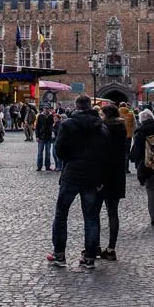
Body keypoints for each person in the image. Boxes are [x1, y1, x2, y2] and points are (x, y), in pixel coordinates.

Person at [46, 94, 108, 269]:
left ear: (76, 106)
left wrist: (70, 159)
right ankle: (89, 258)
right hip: (92, 175)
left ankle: (59, 255)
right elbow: (105, 153)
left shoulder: (68, 125)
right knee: (91, 217)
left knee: (61, 214)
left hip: (72, 174)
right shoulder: (100, 127)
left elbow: (59, 150)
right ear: (90, 106)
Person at [98, 104, 127, 260]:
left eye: (101, 114)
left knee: (94, 212)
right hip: (117, 175)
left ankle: (94, 246)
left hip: (102, 176)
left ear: (106, 116)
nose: (100, 117)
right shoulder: (122, 129)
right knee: (113, 213)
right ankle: (111, 248)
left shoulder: (103, 130)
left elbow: (101, 154)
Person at [34, 105, 55, 171]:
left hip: (48, 137)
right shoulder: (40, 116)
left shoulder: (51, 116)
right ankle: (39, 166)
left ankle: (47, 166)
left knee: (48, 153)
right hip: (41, 137)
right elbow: (37, 127)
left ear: (49, 109)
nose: (46, 110)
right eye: (45, 109)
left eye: (47, 109)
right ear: (43, 109)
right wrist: (37, 136)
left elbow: (53, 125)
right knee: (40, 152)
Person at [118, 103, 136, 173]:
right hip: (128, 136)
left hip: (119, 135)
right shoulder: (131, 114)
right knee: (127, 152)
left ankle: (119, 168)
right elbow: (134, 125)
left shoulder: (116, 113)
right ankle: (126, 168)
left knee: (119, 152)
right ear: (126, 106)